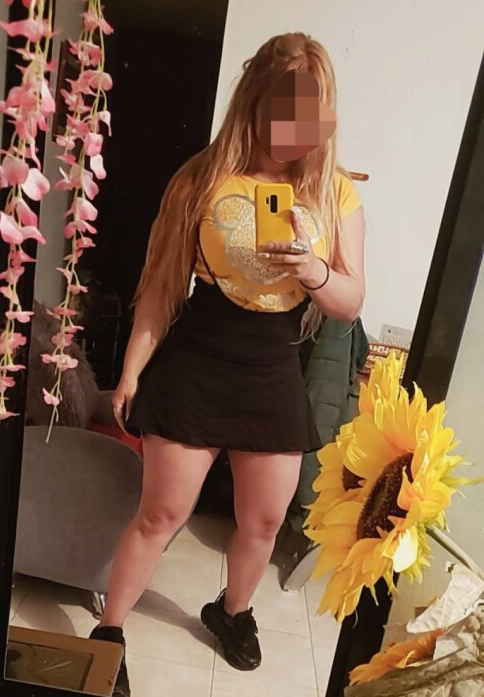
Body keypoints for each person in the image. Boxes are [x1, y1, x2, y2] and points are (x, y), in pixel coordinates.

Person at [89, 32, 366, 696]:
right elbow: (161, 287)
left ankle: (232, 612)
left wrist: (312, 268)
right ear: (254, 101)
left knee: (264, 520)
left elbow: (350, 302)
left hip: (273, 366)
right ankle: (109, 633)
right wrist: (130, 372)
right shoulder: (201, 178)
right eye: (282, 109)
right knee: (161, 514)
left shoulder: (334, 193)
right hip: (199, 357)